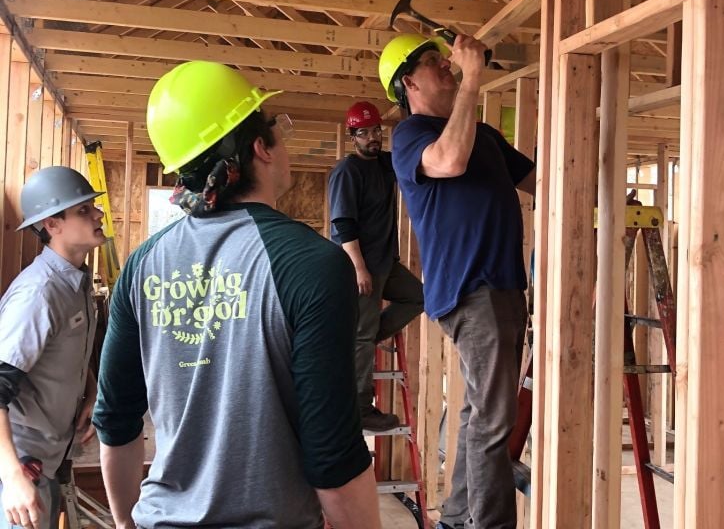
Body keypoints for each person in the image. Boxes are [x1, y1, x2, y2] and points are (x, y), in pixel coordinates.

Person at [92, 61, 381, 529]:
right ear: (260, 148)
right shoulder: (314, 263)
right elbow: (333, 455)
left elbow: (115, 420)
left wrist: (126, 524)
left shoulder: (142, 266)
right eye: (276, 130)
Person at [379, 34, 536, 529]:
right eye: (432, 63)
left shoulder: (481, 133)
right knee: (495, 423)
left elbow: (540, 179)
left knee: (477, 415)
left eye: (444, 59)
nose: (446, 66)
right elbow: (449, 161)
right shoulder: (411, 135)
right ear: (409, 83)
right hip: (472, 291)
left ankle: (456, 518)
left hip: (503, 288)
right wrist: (472, 81)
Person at [0, 166, 106, 529]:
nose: (98, 214)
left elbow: (62, 351)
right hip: (17, 474)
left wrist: (89, 390)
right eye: (83, 210)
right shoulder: (39, 293)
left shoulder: (74, 283)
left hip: (49, 459)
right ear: (51, 225)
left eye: (93, 205)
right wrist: (12, 477)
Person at [327, 101, 424, 432]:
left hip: (385, 263)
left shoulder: (384, 165)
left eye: (377, 131)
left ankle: (355, 341)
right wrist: (359, 268)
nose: (373, 138)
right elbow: (343, 225)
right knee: (362, 334)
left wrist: (412, 108)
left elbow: (411, 154)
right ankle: (360, 408)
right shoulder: (347, 171)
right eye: (365, 132)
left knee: (417, 297)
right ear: (352, 136)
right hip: (358, 265)